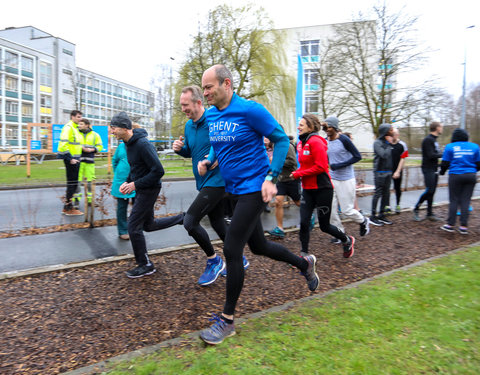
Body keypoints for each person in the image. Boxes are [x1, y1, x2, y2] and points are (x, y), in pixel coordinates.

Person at [197, 64, 319, 345]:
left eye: (209, 87)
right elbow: (219, 144)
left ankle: (227, 321)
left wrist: (271, 177)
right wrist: (209, 161)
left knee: (232, 248)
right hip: (234, 190)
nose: (205, 94)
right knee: (259, 247)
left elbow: (278, 139)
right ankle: (304, 264)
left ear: (226, 84)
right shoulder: (214, 116)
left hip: (255, 188)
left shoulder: (251, 110)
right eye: (203, 88)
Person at [173, 85, 248, 286]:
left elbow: (232, 143)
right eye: (181, 105)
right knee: (217, 223)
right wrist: (180, 149)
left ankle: (214, 261)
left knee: (190, 221)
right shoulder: (189, 126)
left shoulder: (215, 120)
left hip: (218, 181)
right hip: (203, 181)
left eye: (186, 105)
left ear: (198, 102)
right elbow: (191, 151)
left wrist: (218, 158)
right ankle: (238, 257)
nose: (183, 109)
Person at [110, 112, 183, 278]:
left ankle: (145, 264)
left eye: (113, 128)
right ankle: (182, 219)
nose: (112, 131)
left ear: (123, 128)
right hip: (141, 188)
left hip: (150, 189)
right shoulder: (128, 144)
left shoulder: (143, 144)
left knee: (133, 226)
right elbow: (136, 169)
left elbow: (158, 171)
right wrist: (127, 182)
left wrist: (134, 184)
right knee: (148, 225)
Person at [291, 114, 355, 258]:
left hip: (322, 189)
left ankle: (346, 240)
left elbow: (321, 167)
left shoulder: (316, 142)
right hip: (307, 189)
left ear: (311, 127)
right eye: (298, 124)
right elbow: (305, 166)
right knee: (304, 223)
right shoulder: (301, 143)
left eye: (301, 125)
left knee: (325, 226)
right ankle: (304, 256)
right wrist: (297, 172)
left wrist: (298, 174)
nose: (298, 127)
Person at [323, 116, 369, 240]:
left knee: (346, 210)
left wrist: (338, 165)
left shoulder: (344, 140)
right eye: (325, 127)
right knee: (331, 210)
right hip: (332, 179)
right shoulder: (324, 140)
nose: (327, 129)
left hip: (346, 179)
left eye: (329, 127)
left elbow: (357, 156)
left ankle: (363, 220)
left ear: (335, 127)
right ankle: (340, 233)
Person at [439, 128, 480, 235]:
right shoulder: (475, 146)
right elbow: (479, 164)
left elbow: (445, 163)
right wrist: (472, 171)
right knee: (466, 200)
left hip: (455, 176)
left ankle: (450, 225)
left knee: (454, 200)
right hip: (471, 176)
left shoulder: (450, 147)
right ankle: (463, 227)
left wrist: (442, 172)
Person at [268, 135, 301, 238]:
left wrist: (277, 160)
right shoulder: (274, 145)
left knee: (298, 202)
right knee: (278, 201)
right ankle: (280, 228)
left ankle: (310, 214)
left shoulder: (288, 146)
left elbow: (292, 162)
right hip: (281, 180)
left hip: (292, 179)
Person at [111, 125, 138, 241]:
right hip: (121, 181)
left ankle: (135, 229)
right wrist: (118, 172)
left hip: (137, 181)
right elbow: (115, 161)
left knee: (137, 207)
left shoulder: (140, 146)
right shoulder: (121, 147)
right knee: (122, 208)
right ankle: (122, 231)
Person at [413, 122, 443, 221]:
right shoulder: (428, 140)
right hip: (427, 168)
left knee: (432, 191)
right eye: (441, 127)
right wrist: (443, 154)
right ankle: (416, 208)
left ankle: (429, 213)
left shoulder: (434, 140)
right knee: (429, 190)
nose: (442, 129)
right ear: (437, 128)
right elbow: (431, 155)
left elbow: (435, 154)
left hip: (434, 168)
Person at [57, 110, 84, 216]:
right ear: (72, 117)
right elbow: (63, 145)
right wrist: (70, 159)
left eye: (81, 117)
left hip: (75, 159)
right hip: (71, 160)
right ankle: (69, 208)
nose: (80, 119)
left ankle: (66, 207)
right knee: (72, 183)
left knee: (72, 183)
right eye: (78, 117)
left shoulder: (75, 128)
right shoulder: (68, 128)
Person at [73, 118, 103, 207]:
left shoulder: (95, 135)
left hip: (89, 162)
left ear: (86, 125)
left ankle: (90, 201)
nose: (79, 126)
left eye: (81, 124)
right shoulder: (75, 134)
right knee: (77, 182)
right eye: (79, 124)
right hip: (78, 161)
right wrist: (80, 148)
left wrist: (91, 149)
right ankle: (76, 201)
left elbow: (100, 146)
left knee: (90, 182)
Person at [370, 123, 394, 226]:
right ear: (386, 131)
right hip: (379, 172)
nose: (392, 131)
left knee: (386, 194)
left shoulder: (388, 143)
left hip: (388, 172)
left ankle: (382, 215)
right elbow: (383, 155)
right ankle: (373, 216)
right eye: (391, 129)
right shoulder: (377, 143)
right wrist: (389, 144)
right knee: (378, 194)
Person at [390, 127, 408, 214]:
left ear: (397, 135)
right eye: (391, 134)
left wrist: (397, 171)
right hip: (387, 170)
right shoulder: (388, 144)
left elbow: (403, 159)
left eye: (394, 134)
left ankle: (397, 204)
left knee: (397, 188)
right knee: (386, 189)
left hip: (397, 170)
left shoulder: (402, 145)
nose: (392, 136)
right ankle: (387, 206)